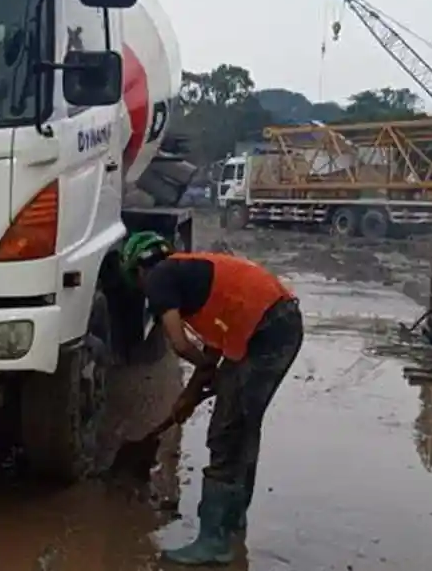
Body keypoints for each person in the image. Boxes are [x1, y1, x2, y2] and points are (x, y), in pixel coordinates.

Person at [118, 231, 304, 566]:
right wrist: (190, 394)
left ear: (139, 270)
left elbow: (179, 344)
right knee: (243, 426)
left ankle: (214, 540)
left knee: (226, 432)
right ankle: (232, 522)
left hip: (266, 333)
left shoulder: (159, 276)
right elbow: (214, 347)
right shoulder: (191, 275)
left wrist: (207, 370)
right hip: (276, 326)